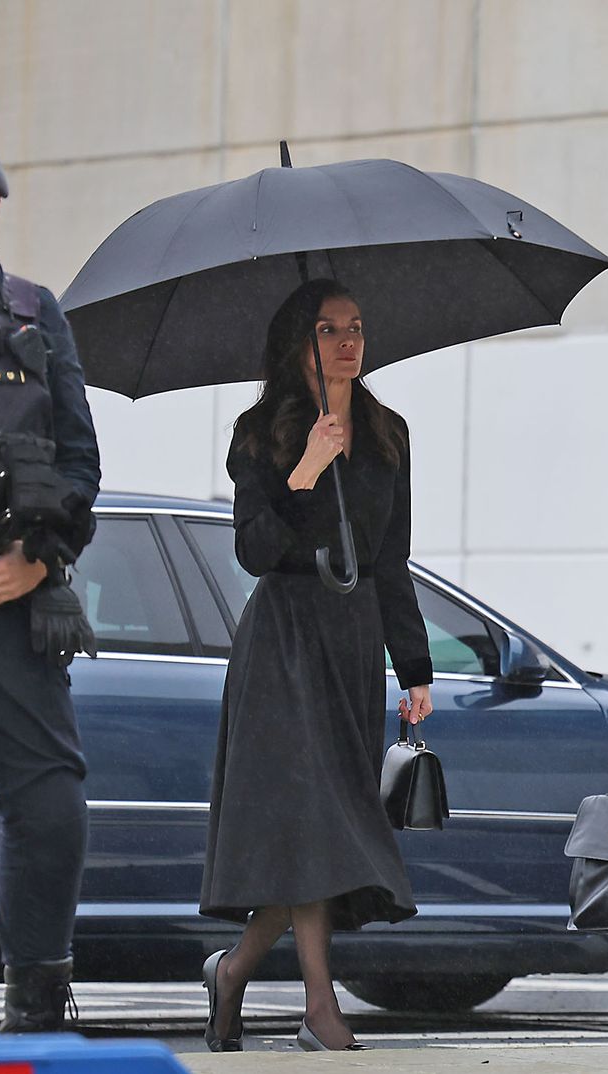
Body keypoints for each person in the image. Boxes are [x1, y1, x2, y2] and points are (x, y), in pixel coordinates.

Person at [198, 278, 434, 1053]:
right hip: (285, 641)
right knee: (312, 818)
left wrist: (415, 668)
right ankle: (319, 1008)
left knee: (328, 824)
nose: (348, 342)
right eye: (329, 329)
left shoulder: (389, 432)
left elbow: (393, 561)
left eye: (356, 326)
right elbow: (253, 549)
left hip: (354, 639)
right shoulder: (258, 432)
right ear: (297, 343)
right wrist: (304, 469)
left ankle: (233, 970)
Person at [0, 113, 101, 1032]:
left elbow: (81, 463)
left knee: (49, 806)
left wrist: (35, 559)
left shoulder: (31, 312)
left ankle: (37, 1003)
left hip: (12, 600)